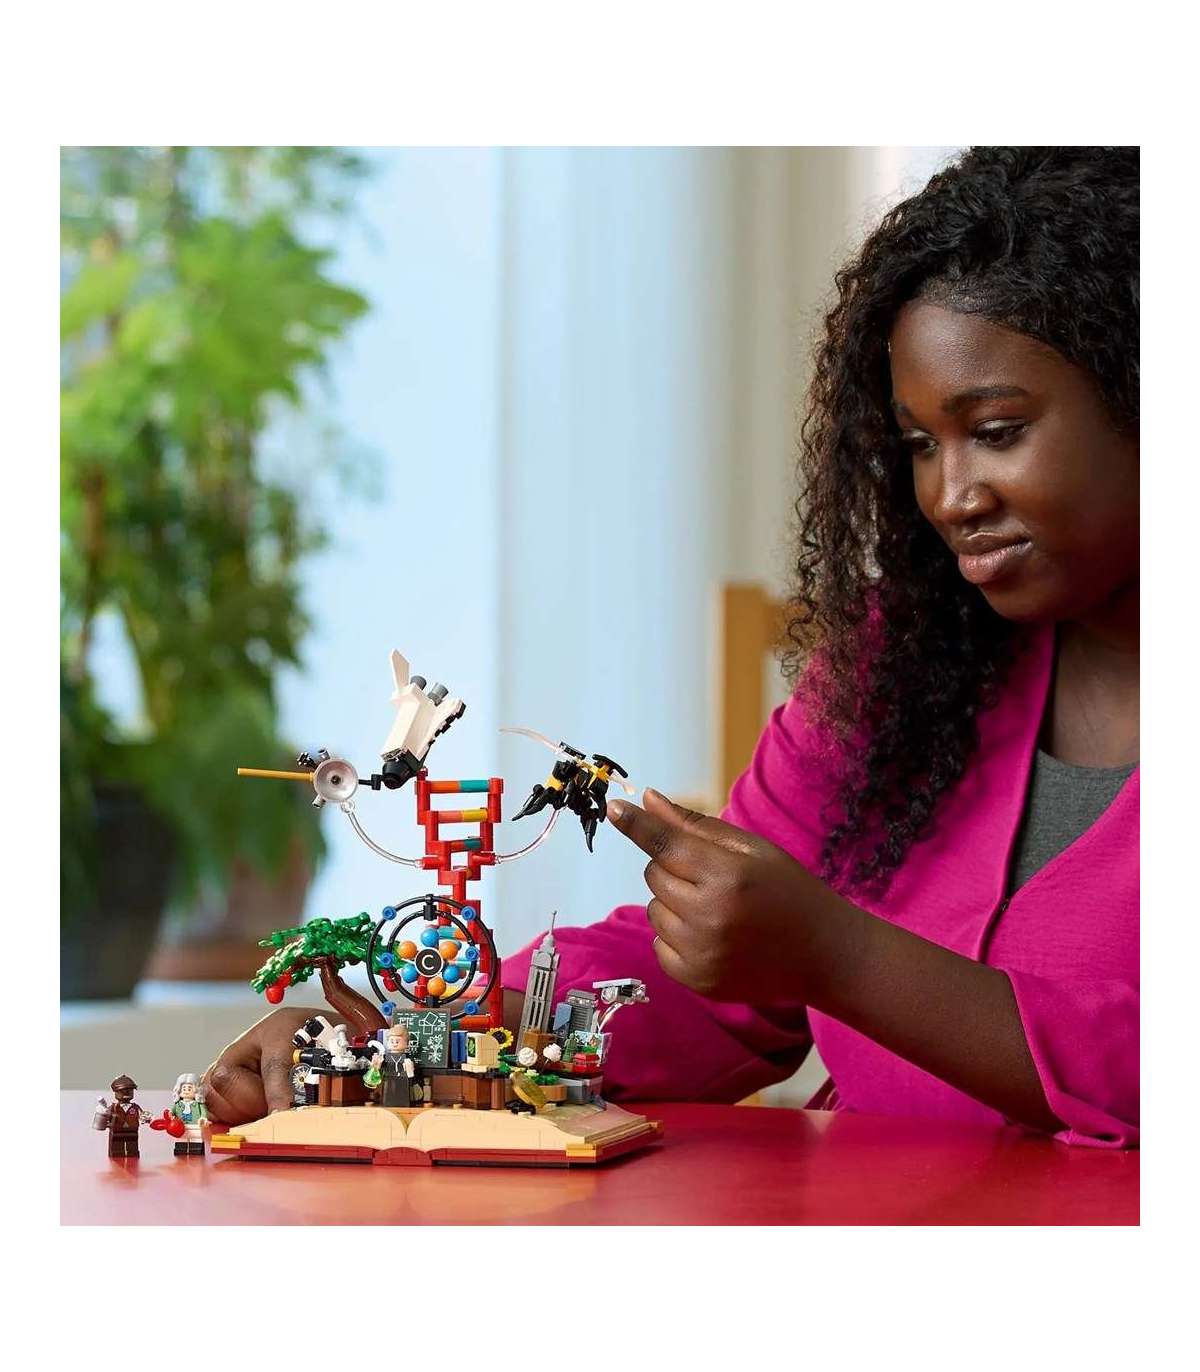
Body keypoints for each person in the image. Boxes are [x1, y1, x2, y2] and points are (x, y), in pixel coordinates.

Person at [202, 146, 1139, 1149]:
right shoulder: (902, 669)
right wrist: (401, 1040)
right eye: (919, 444)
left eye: (997, 430)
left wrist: (841, 956)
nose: (951, 496)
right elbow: (709, 981)